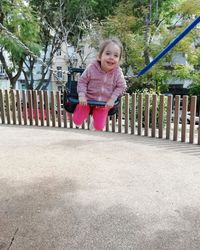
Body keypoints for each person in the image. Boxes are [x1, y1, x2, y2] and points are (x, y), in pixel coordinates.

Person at [72, 38, 127, 131]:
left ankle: (94, 122)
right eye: (108, 53)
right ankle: (82, 114)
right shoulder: (91, 68)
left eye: (116, 55)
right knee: (77, 121)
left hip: (103, 104)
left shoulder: (117, 72)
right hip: (87, 100)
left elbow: (121, 86)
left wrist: (112, 99)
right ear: (99, 56)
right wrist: (82, 96)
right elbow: (82, 81)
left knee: (99, 127)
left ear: (119, 60)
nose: (111, 57)